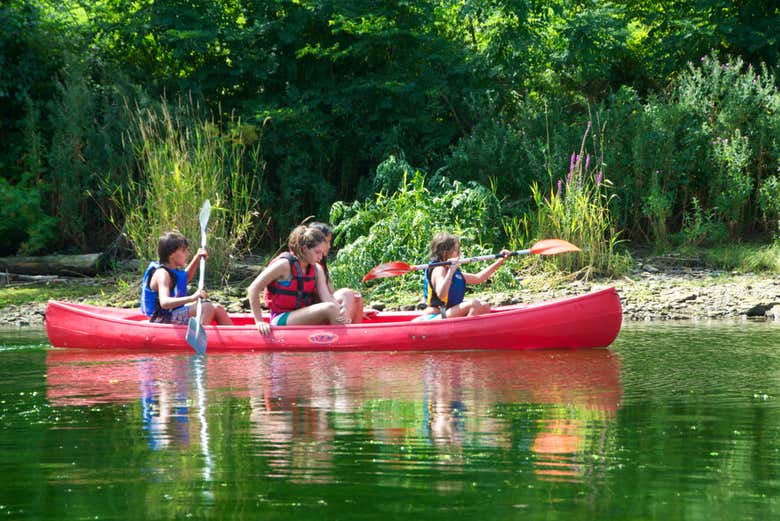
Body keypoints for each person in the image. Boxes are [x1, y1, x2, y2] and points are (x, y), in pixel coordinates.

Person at [248, 225, 348, 335]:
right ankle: (344, 341)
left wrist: (341, 311)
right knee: (330, 308)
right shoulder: (284, 265)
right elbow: (253, 288)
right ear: (304, 248)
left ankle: (343, 338)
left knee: (341, 302)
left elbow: (327, 298)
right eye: (317, 252)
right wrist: (259, 321)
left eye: (322, 253)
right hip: (280, 318)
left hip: (302, 315)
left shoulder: (317, 269)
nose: (320, 257)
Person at [140, 231, 232, 325]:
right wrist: (192, 298)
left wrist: (197, 257)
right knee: (207, 308)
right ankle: (198, 334)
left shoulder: (171, 270)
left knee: (218, 308)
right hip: (160, 318)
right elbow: (164, 302)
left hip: (172, 313)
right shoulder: (162, 274)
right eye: (184, 250)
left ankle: (233, 334)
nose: (187, 254)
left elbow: (185, 278)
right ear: (171, 254)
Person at [417, 232, 510, 320]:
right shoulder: (439, 270)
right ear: (444, 252)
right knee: (474, 304)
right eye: (456, 250)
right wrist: (451, 271)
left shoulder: (452, 271)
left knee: (484, 306)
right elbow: (441, 294)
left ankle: (469, 329)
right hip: (434, 317)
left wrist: (499, 261)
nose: (459, 253)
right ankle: (468, 330)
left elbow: (478, 278)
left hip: (447, 314)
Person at [308, 222, 365, 324]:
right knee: (346, 293)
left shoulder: (321, 265)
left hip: (326, 305)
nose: (329, 246)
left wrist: (356, 308)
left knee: (356, 297)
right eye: (326, 242)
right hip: (314, 310)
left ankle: (356, 332)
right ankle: (345, 327)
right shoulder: (310, 265)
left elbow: (331, 293)